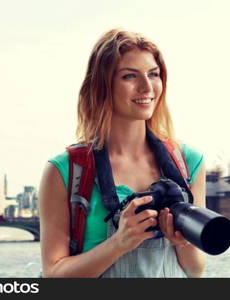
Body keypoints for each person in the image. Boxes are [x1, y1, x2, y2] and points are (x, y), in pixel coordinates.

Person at [39, 29, 206, 278]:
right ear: (102, 86)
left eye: (154, 74)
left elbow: (195, 269)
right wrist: (119, 243)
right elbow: (53, 274)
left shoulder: (188, 162)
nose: (147, 87)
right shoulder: (66, 170)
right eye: (129, 76)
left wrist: (181, 241)